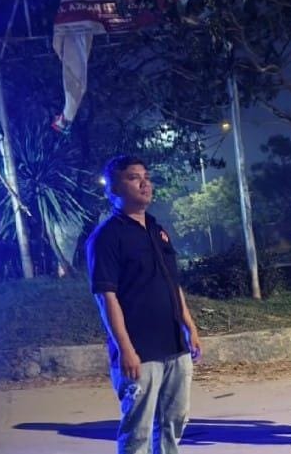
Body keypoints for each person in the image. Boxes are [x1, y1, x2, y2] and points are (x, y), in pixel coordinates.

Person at [87, 155, 202, 454]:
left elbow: (172, 283)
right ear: (114, 189)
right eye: (133, 177)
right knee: (138, 431)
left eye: (146, 177)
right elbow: (106, 296)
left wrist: (190, 327)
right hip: (139, 351)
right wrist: (125, 349)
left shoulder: (156, 230)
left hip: (174, 345)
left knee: (174, 422)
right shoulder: (106, 237)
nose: (144, 183)